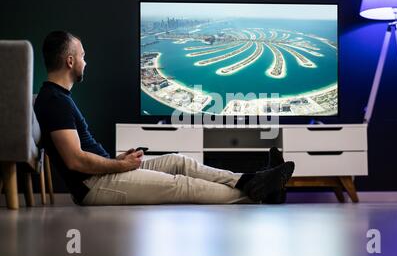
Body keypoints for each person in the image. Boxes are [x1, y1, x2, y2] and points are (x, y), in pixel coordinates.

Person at [34, 31, 295, 206]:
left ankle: (252, 179)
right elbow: (75, 160)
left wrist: (118, 160)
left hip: (104, 172)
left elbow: (81, 155)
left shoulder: (58, 97)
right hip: (94, 186)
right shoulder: (54, 101)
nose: (85, 62)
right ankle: (259, 193)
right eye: (82, 56)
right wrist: (118, 166)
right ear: (70, 61)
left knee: (179, 162)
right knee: (181, 185)